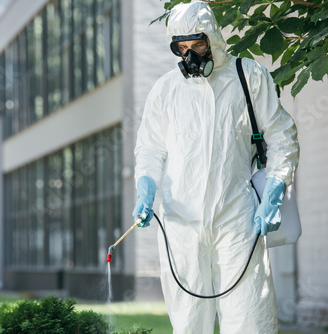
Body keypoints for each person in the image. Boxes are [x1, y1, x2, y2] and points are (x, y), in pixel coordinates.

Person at [132, 1, 299, 333]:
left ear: (212, 39)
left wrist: (275, 192)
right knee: (190, 322)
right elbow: (150, 150)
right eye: (182, 48)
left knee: (250, 318)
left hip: (237, 218)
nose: (190, 54)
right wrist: (145, 190)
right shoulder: (165, 90)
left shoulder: (248, 75)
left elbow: (282, 136)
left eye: (198, 45)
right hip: (181, 223)